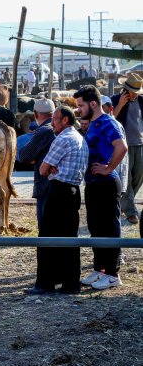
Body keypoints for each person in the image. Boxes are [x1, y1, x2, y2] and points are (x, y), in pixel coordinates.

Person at [26, 106, 89, 295]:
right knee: (70, 238)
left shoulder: (62, 139)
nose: (52, 122)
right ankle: (70, 283)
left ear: (65, 121)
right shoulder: (80, 139)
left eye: (55, 119)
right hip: (73, 191)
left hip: (57, 191)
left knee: (47, 237)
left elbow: (43, 170)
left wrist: (52, 167)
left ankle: (45, 282)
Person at [74, 85, 128, 290]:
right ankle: (100, 269)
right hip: (93, 183)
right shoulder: (94, 123)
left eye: (81, 105)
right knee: (96, 227)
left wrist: (108, 168)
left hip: (106, 183)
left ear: (93, 104)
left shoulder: (107, 122)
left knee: (110, 227)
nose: (78, 110)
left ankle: (113, 274)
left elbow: (121, 147)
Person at [18, 98, 56, 230]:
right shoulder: (64, 128)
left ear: (35, 114)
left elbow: (24, 156)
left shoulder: (43, 131)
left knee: (45, 227)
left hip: (45, 185)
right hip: (63, 184)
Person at [110, 74, 143, 223]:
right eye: (132, 90)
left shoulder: (141, 101)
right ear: (126, 89)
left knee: (139, 175)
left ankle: (125, 202)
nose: (134, 94)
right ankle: (131, 211)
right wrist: (120, 105)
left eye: (137, 91)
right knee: (127, 178)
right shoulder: (116, 99)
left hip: (140, 143)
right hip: (123, 144)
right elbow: (110, 120)